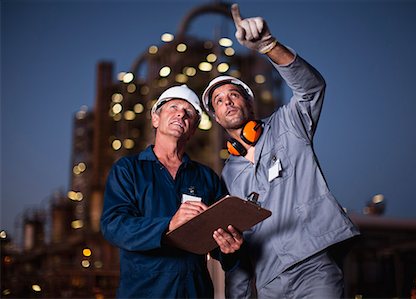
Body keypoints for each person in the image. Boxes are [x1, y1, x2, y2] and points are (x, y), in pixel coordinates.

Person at [201, 4, 360, 298]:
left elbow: (312, 89)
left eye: (234, 94)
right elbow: (240, 246)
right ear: (216, 118)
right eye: (219, 100)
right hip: (268, 281)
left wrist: (269, 46)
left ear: (249, 103)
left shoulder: (288, 125)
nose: (228, 101)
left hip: (313, 266)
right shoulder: (229, 176)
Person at [101, 84, 243, 298]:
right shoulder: (129, 170)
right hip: (144, 291)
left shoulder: (206, 177)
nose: (180, 114)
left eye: (189, 113)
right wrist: (168, 224)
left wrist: (229, 249)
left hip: (194, 291)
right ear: (156, 119)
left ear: (193, 129)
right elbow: (113, 225)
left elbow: (218, 244)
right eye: (173, 107)